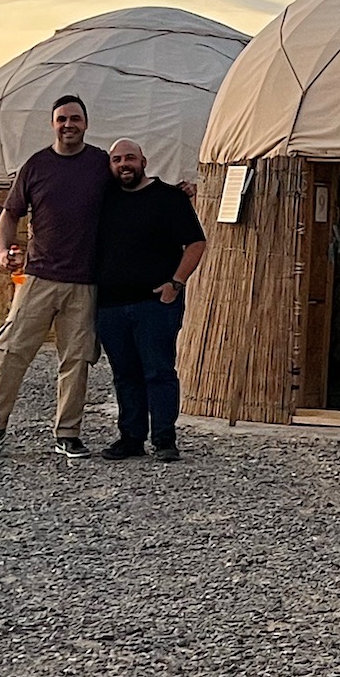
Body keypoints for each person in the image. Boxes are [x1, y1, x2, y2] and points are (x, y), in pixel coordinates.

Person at [0, 94, 108, 460]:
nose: (69, 125)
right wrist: (3, 249)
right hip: (39, 276)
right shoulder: (36, 165)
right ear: (52, 124)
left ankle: (67, 432)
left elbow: (131, 196)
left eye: (75, 119)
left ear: (86, 123)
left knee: (77, 359)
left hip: (85, 280)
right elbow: (9, 214)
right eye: (62, 119)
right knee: (12, 350)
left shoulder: (100, 164)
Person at [94, 139, 207, 462]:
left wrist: (176, 282)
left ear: (144, 160)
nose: (123, 164)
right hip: (111, 304)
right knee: (124, 372)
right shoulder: (105, 200)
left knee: (158, 370)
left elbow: (196, 243)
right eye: (116, 160)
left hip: (154, 303)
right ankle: (130, 437)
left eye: (129, 157)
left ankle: (164, 438)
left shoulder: (168, 198)